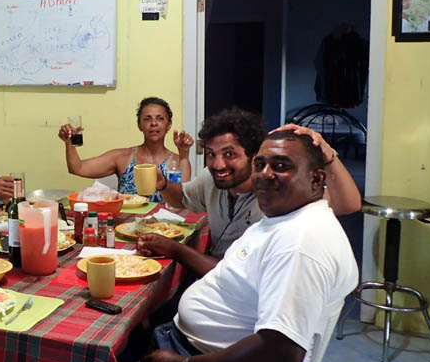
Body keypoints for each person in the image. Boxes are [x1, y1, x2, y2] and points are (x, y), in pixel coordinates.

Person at [130, 129, 359, 362]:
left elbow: (280, 351)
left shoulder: (299, 245)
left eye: (281, 166)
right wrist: (174, 250)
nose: (265, 174)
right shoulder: (286, 219)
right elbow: (230, 273)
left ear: (317, 179)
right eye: (261, 164)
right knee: (125, 342)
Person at [155, 107, 362, 258]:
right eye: (211, 155)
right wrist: (163, 183)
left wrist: (326, 152)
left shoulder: (275, 190)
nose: (218, 165)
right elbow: (182, 198)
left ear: (254, 155)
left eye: (229, 154)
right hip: (215, 275)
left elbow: (349, 204)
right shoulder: (210, 179)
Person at [57, 97, 194, 202]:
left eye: (160, 119)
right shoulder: (122, 157)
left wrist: (184, 154)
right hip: (126, 226)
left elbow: (184, 198)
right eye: (147, 119)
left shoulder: (177, 161)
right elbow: (78, 168)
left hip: (165, 228)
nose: (153, 123)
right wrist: (68, 143)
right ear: (139, 125)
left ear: (168, 125)